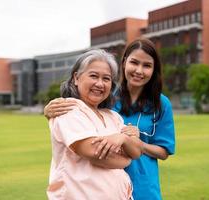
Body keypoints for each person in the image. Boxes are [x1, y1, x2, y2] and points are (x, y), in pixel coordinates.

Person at [45, 38, 176, 200]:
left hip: (143, 184)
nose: (139, 70)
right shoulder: (106, 98)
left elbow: (163, 151)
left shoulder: (161, 104)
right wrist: (50, 110)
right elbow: (82, 130)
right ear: (124, 62)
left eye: (147, 65)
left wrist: (132, 141)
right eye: (134, 62)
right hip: (96, 185)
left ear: (154, 70)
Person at [47, 49, 142, 200]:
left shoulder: (113, 117)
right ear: (76, 78)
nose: (99, 83)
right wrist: (126, 159)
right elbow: (94, 152)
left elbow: (137, 150)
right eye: (93, 76)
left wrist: (122, 139)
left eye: (106, 78)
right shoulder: (68, 109)